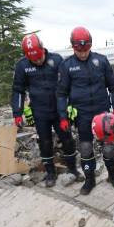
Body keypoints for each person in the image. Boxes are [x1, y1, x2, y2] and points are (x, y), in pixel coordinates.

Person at [57, 26, 114, 195]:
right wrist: (63, 117)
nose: (83, 54)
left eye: (86, 49)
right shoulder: (67, 65)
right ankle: (89, 179)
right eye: (80, 50)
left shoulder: (101, 61)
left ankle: (113, 176)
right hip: (82, 114)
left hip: (103, 113)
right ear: (73, 47)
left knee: (109, 148)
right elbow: (61, 94)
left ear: (90, 46)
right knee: (85, 148)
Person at [11, 33, 83, 187]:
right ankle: (50, 173)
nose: (38, 61)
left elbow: (70, 84)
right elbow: (18, 90)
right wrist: (17, 113)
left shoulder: (56, 60)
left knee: (67, 139)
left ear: (43, 49)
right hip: (40, 111)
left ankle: (72, 169)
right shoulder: (22, 66)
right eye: (34, 59)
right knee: (44, 142)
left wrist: (71, 106)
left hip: (59, 110)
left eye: (39, 57)